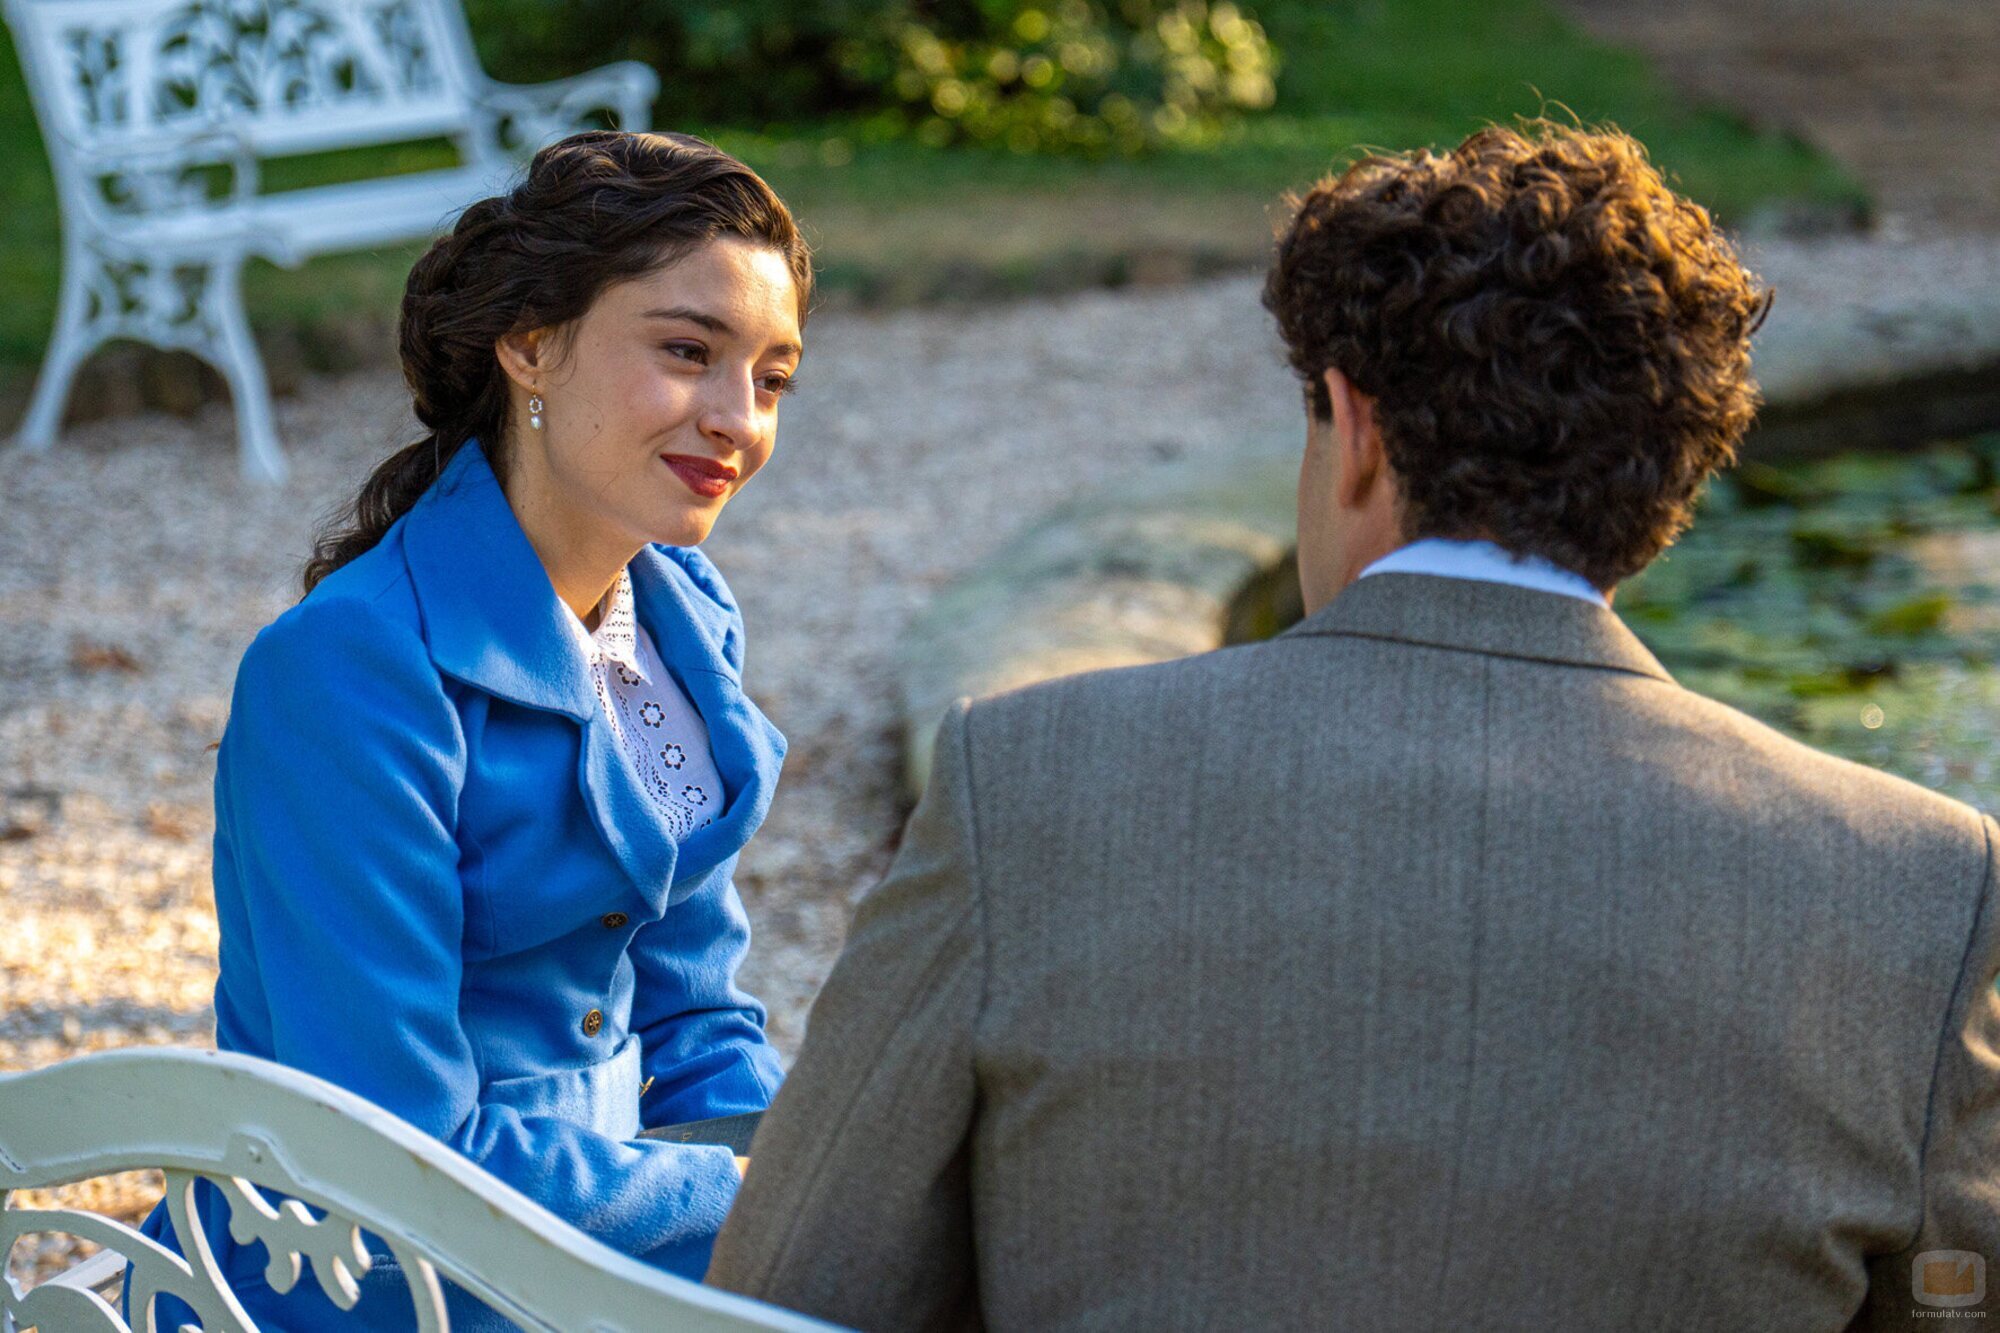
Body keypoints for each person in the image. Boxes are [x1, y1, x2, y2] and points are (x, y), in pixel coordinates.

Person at [706, 122, 2000, 1330]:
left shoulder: (1030, 780)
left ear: (1359, 430)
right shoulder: (1921, 887)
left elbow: (791, 1293)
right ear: (1672, 475)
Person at [131, 130, 810, 1330]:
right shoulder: (347, 672)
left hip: (601, 1228)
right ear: (531, 345)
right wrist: (767, 1211)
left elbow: (695, 1018)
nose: (735, 420)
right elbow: (393, 1144)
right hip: (374, 1272)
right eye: (686, 352)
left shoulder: (681, 613)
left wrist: (838, 1192)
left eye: (769, 377)